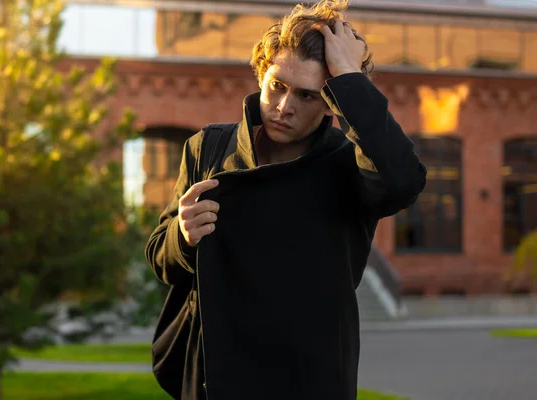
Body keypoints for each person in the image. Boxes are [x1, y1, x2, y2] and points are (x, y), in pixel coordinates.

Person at [146, 1, 426, 399]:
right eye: (277, 85)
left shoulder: (350, 163)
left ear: (331, 101)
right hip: (216, 378)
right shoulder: (208, 147)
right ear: (262, 74)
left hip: (310, 379)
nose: (283, 108)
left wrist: (348, 75)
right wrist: (182, 236)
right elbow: (160, 257)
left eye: (307, 96)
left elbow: (405, 181)